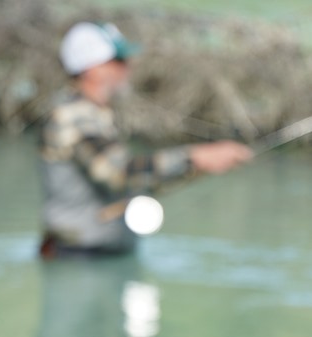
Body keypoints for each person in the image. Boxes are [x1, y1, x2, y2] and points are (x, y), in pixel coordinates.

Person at [39, 22, 253, 258]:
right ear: (93, 69)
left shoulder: (97, 115)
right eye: (119, 60)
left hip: (101, 259)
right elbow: (119, 173)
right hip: (78, 261)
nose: (128, 67)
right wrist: (194, 157)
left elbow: (135, 181)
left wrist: (197, 167)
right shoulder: (74, 118)